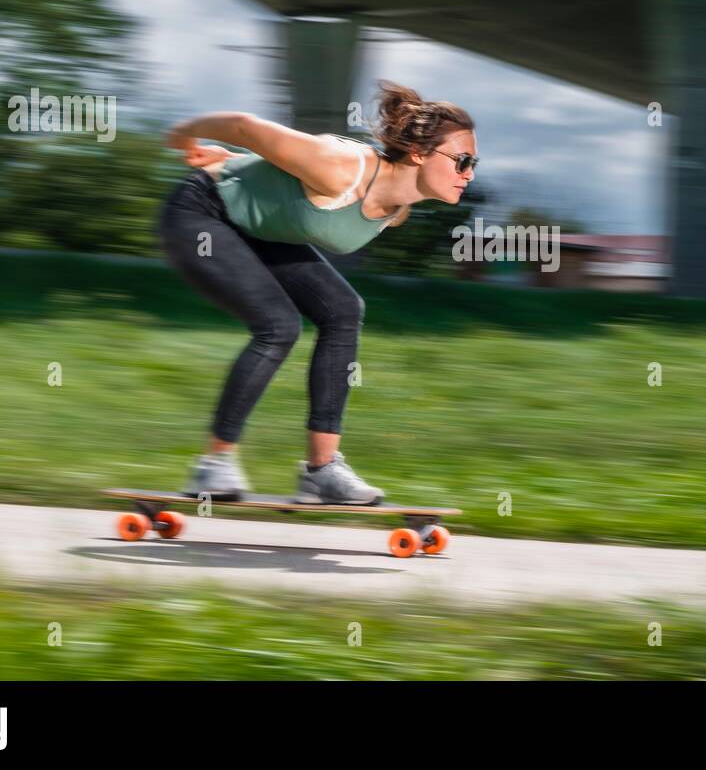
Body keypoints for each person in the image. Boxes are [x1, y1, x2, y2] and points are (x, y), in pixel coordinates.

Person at [157, 80, 478, 504]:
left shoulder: (398, 208)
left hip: (256, 229)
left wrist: (238, 163)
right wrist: (184, 134)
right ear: (419, 154)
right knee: (279, 326)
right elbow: (242, 124)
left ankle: (322, 471)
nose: (469, 174)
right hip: (201, 212)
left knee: (343, 309)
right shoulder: (342, 166)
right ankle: (213, 466)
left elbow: (280, 180)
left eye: (473, 163)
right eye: (462, 160)